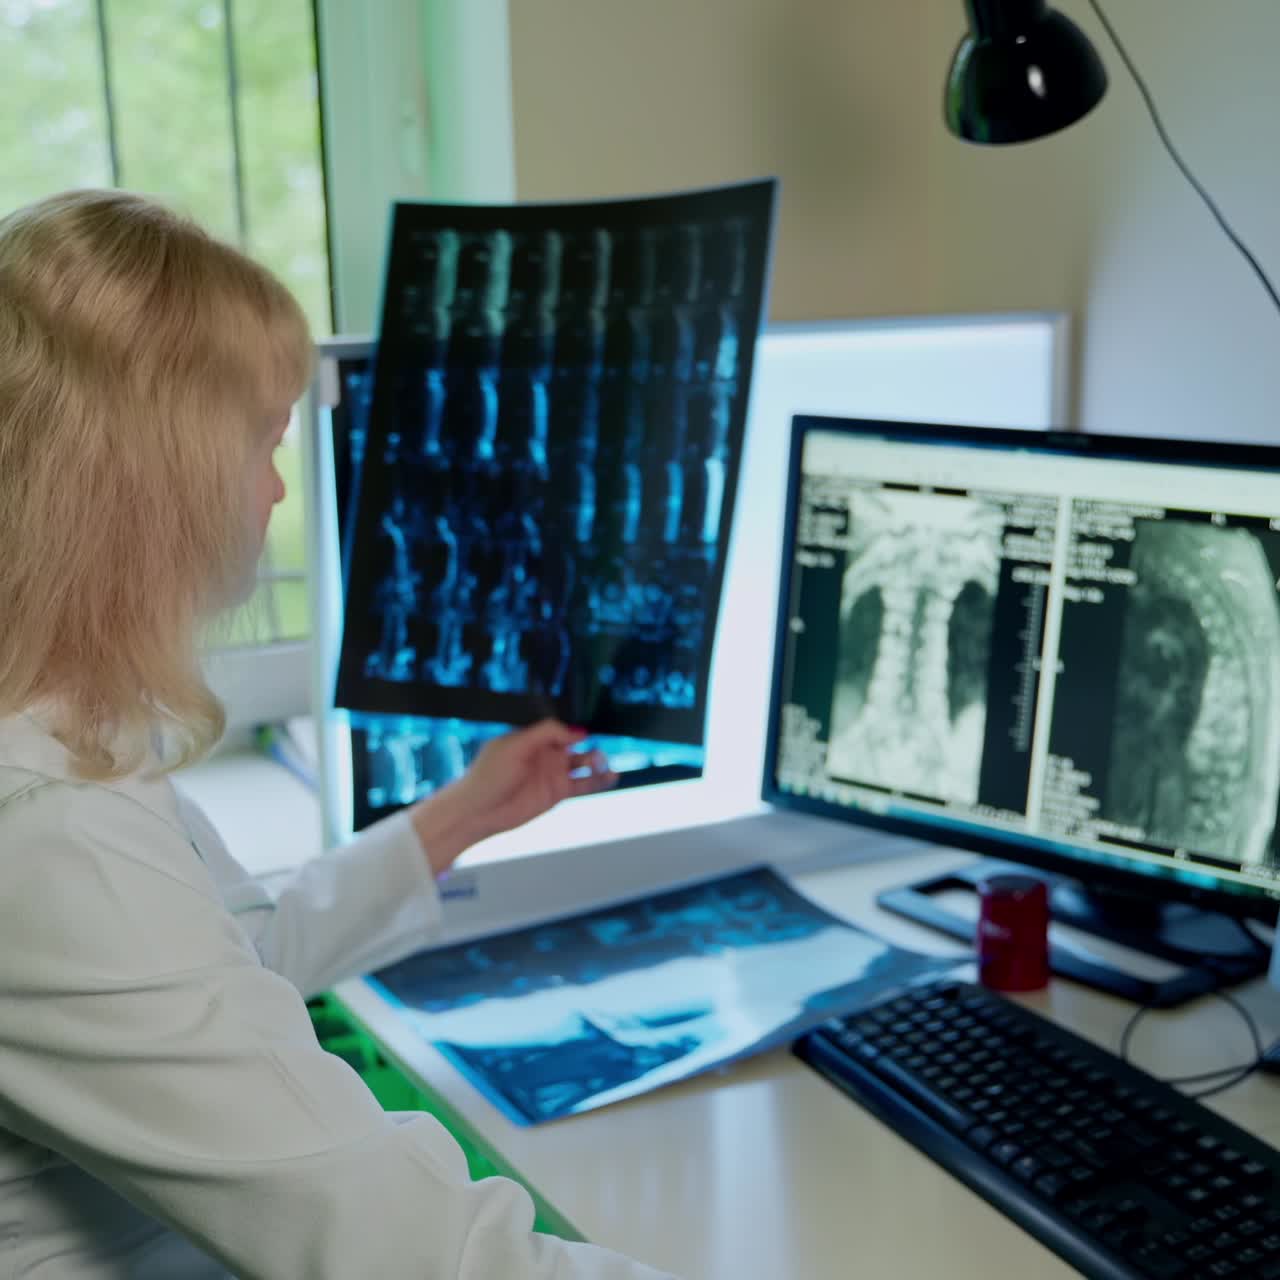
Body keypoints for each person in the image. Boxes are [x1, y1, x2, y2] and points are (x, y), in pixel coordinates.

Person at [0, 190, 677, 1279]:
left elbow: (214, 970)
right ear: (159, 477)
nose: (274, 489)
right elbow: (417, 1256)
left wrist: (453, 819)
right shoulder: (53, 831)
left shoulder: (60, 725)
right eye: (263, 444)